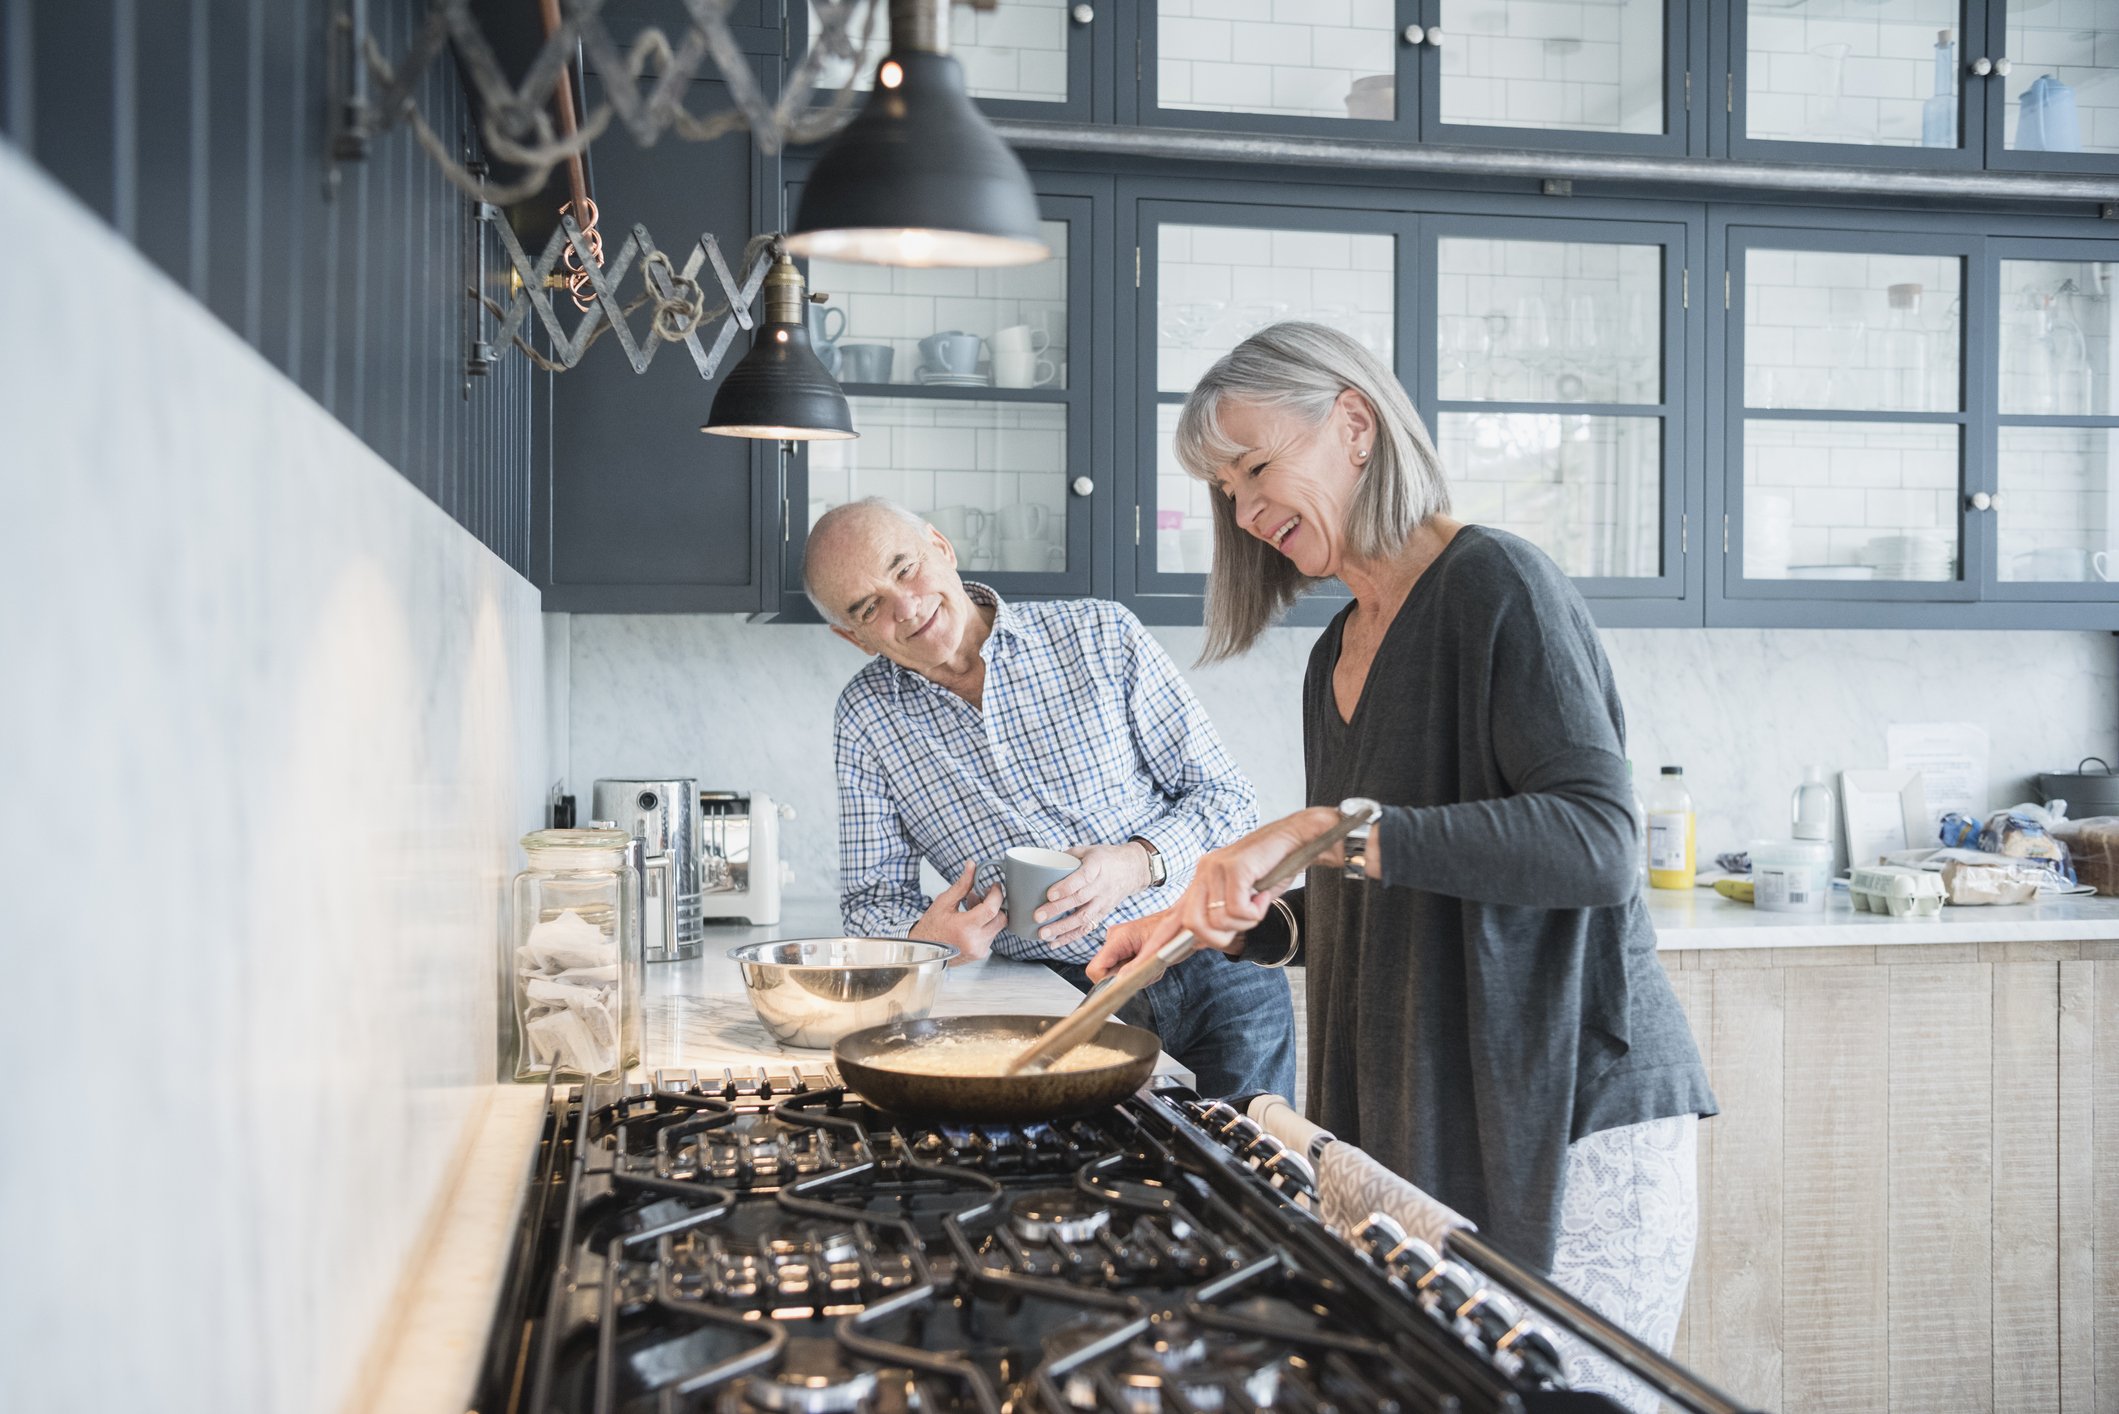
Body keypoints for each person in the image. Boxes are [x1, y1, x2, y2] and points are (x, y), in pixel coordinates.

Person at [1086, 323, 1716, 1412]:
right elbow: (1379, 885)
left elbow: (1599, 842)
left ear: (1354, 423)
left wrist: (1325, 825)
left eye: (1254, 469)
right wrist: (1237, 925)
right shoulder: (1338, 650)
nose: (1244, 512)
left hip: (1570, 1103)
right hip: (1435, 1101)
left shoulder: (1497, 585)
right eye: (1224, 490)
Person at [806, 496, 1295, 1100]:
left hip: (1217, 958)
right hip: (1065, 995)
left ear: (941, 546)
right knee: (1107, 1181)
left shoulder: (1100, 633)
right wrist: (925, 940)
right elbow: (870, 900)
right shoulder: (866, 717)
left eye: (905, 568)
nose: (906, 606)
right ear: (850, 637)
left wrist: (1137, 861)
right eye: (868, 607)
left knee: (1253, 1173)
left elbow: (1228, 799)